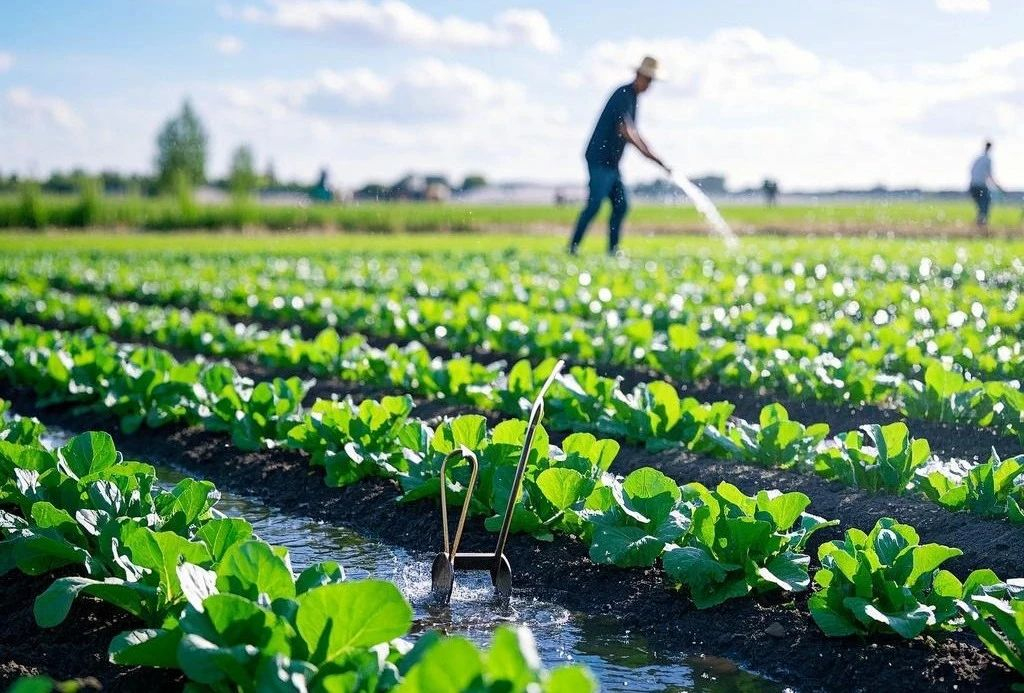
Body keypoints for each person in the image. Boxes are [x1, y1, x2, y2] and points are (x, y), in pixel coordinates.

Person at [568, 56, 671, 256]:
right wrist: (651, 156)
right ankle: (573, 247)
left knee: (621, 205)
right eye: (648, 79)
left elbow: (632, 131)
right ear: (638, 75)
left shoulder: (633, 98)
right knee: (595, 204)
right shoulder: (623, 94)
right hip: (600, 159)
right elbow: (626, 130)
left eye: (652, 81)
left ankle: (613, 250)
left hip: (612, 163)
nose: (649, 85)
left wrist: (653, 156)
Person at [969, 141, 1004, 233]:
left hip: (973, 185)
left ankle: (979, 226)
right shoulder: (987, 159)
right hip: (980, 185)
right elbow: (989, 175)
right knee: (985, 203)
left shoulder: (978, 158)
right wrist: (998, 186)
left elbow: (971, 171)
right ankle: (982, 228)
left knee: (980, 205)